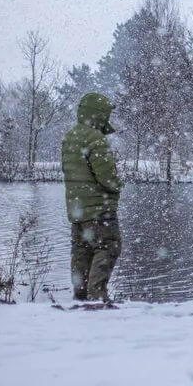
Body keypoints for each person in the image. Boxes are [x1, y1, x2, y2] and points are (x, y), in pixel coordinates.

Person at [61, 92, 123, 301]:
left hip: (77, 209)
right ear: (99, 114)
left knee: (82, 250)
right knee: (109, 245)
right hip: (99, 208)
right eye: (106, 114)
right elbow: (106, 177)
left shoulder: (71, 136)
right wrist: (117, 185)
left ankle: (80, 297)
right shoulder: (95, 138)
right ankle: (97, 296)